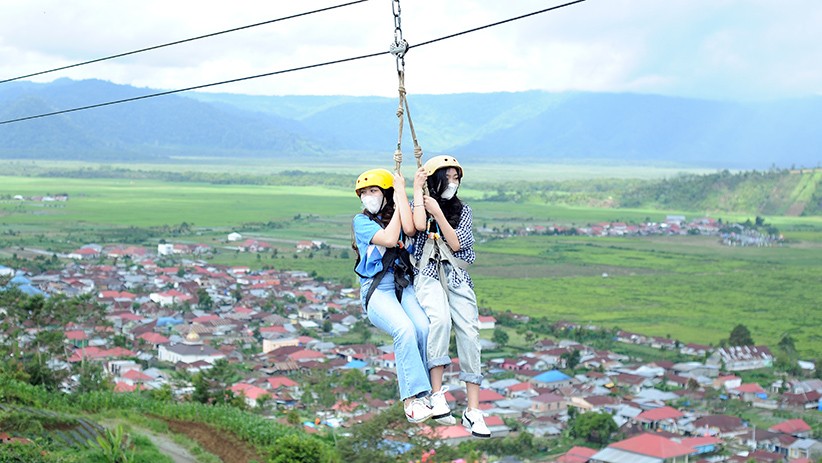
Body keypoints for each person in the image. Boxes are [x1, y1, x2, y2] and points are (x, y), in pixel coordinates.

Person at [411, 155, 490, 438]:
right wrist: (419, 192)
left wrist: (440, 213)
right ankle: (436, 394)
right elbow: (418, 226)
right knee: (440, 322)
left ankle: (473, 410)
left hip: (456, 274)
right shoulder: (420, 204)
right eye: (449, 178)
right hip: (428, 273)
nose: (453, 184)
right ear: (437, 180)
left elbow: (457, 243)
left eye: (457, 179)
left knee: (470, 332)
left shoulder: (463, 211)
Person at [352, 167, 434, 423]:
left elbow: (411, 230)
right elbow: (388, 239)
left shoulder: (399, 213)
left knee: (423, 327)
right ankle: (411, 400)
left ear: (385, 193)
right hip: (377, 289)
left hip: (402, 283)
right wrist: (399, 201)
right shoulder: (361, 221)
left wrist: (408, 192)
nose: (368, 197)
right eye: (364, 193)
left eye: (373, 191)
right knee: (404, 330)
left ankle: (427, 394)